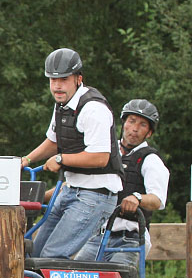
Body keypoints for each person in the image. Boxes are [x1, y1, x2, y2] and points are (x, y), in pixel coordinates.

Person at [22, 48, 123, 259]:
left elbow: (100, 157)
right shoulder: (62, 104)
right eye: (52, 80)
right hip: (71, 190)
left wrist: (61, 159)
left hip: (96, 195)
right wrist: (26, 160)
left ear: (78, 79)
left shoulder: (94, 109)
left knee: (52, 256)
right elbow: (54, 141)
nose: (57, 85)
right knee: (34, 253)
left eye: (64, 79)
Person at [75, 99, 169, 266]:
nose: (134, 128)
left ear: (149, 133)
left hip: (129, 237)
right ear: (123, 123)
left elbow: (157, 199)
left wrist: (137, 198)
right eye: (131, 121)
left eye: (142, 125)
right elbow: (79, 184)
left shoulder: (150, 160)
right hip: (98, 234)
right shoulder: (106, 152)